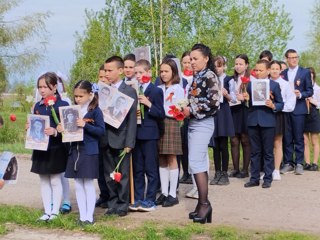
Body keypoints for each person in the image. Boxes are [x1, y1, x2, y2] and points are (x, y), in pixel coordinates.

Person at [182, 43, 220, 224]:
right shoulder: (197, 76)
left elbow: (214, 102)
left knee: (196, 163)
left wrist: (191, 109)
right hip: (194, 123)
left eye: (195, 59)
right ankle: (202, 204)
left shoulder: (210, 76)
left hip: (203, 123)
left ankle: (204, 204)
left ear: (206, 58)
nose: (192, 62)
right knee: (195, 162)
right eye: (190, 59)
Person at [61, 80, 105, 225]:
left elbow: (101, 131)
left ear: (90, 95)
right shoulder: (72, 111)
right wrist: (63, 129)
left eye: (81, 96)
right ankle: (81, 216)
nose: (77, 99)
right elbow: (69, 131)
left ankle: (89, 217)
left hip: (89, 151)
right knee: (78, 184)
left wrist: (85, 125)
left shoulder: (95, 111)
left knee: (88, 184)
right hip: (75, 150)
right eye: (76, 96)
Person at [28, 72, 69, 222]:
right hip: (40, 148)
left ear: (55, 87)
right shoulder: (38, 106)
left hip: (56, 148)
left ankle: (55, 212)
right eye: (40, 87)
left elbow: (68, 130)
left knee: (55, 180)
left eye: (45, 86)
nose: (42, 90)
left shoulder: (63, 105)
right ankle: (46, 211)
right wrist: (30, 127)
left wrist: (55, 132)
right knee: (43, 180)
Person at [100, 56, 137, 217]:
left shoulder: (129, 91)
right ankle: (112, 203)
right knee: (109, 175)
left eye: (110, 70)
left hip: (121, 139)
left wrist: (130, 142)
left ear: (120, 71)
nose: (107, 74)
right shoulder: (102, 91)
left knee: (122, 175)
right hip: (105, 139)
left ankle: (123, 204)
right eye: (105, 70)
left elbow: (132, 120)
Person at [129, 59, 165, 212]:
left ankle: (150, 199)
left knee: (150, 168)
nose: (138, 76)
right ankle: (138, 198)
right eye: (136, 73)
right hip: (136, 134)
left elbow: (161, 113)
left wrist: (148, 104)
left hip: (150, 134)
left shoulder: (156, 91)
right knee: (138, 168)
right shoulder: (132, 90)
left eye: (141, 72)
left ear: (149, 73)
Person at [243, 59, 283, 188]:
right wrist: (246, 100)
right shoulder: (250, 85)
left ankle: (267, 178)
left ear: (268, 71)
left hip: (268, 121)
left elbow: (281, 103)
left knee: (268, 151)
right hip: (253, 121)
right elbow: (248, 104)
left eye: (261, 70)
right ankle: (254, 178)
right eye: (256, 70)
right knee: (255, 151)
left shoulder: (274, 85)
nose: (258, 72)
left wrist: (273, 105)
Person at [155, 58, 185, 208]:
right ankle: (164, 192)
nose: (163, 74)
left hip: (171, 122)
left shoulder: (178, 88)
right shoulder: (158, 88)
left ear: (173, 72)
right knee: (161, 157)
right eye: (161, 71)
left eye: (166, 71)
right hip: (159, 123)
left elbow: (178, 108)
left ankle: (173, 193)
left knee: (171, 157)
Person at [280, 49, 313, 175]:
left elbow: (310, 91)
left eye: (296, 57)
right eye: (291, 57)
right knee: (287, 137)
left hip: (299, 108)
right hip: (286, 109)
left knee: (298, 137)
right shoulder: (283, 73)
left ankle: (299, 163)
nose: (294, 59)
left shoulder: (305, 72)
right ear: (286, 59)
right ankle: (288, 163)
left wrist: (300, 94)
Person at [209, 56, 235, 186]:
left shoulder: (229, 79)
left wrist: (226, 94)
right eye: (215, 66)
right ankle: (217, 172)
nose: (217, 69)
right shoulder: (210, 79)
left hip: (224, 112)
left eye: (219, 66)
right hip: (214, 113)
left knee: (224, 144)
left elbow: (234, 99)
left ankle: (224, 173)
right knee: (215, 145)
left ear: (224, 66)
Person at [269, 60, 296, 180]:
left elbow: (291, 101)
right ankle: (267, 169)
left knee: (277, 142)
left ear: (281, 70)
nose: (274, 70)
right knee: (266, 143)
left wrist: (278, 107)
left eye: (277, 68)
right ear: (269, 70)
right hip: (266, 114)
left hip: (280, 114)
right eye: (272, 68)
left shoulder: (285, 84)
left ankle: (276, 170)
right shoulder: (264, 83)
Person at [229, 54, 251, 178]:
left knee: (245, 139)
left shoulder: (251, 79)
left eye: (241, 64)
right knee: (233, 139)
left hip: (245, 110)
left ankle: (245, 169)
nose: (238, 66)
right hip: (233, 110)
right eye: (236, 64)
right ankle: (235, 168)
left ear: (246, 65)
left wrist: (245, 97)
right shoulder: (231, 79)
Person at [179, 51, 193, 186]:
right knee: (183, 144)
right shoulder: (180, 78)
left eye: (189, 62)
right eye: (185, 62)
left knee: (191, 144)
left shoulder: (196, 78)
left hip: (193, 114)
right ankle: (185, 172)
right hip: (181, 114)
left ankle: (193, 172)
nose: (187, 65)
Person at [303, 67, 320, 171]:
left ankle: (315, 163)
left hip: (314, 114)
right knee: (305, 140)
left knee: (314, 140)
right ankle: (307, 163)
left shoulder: (318, 89)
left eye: (311, 74)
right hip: (304, 114)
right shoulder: (303, 87)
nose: (309, 75)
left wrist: (313, 101)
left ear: (313, 75)